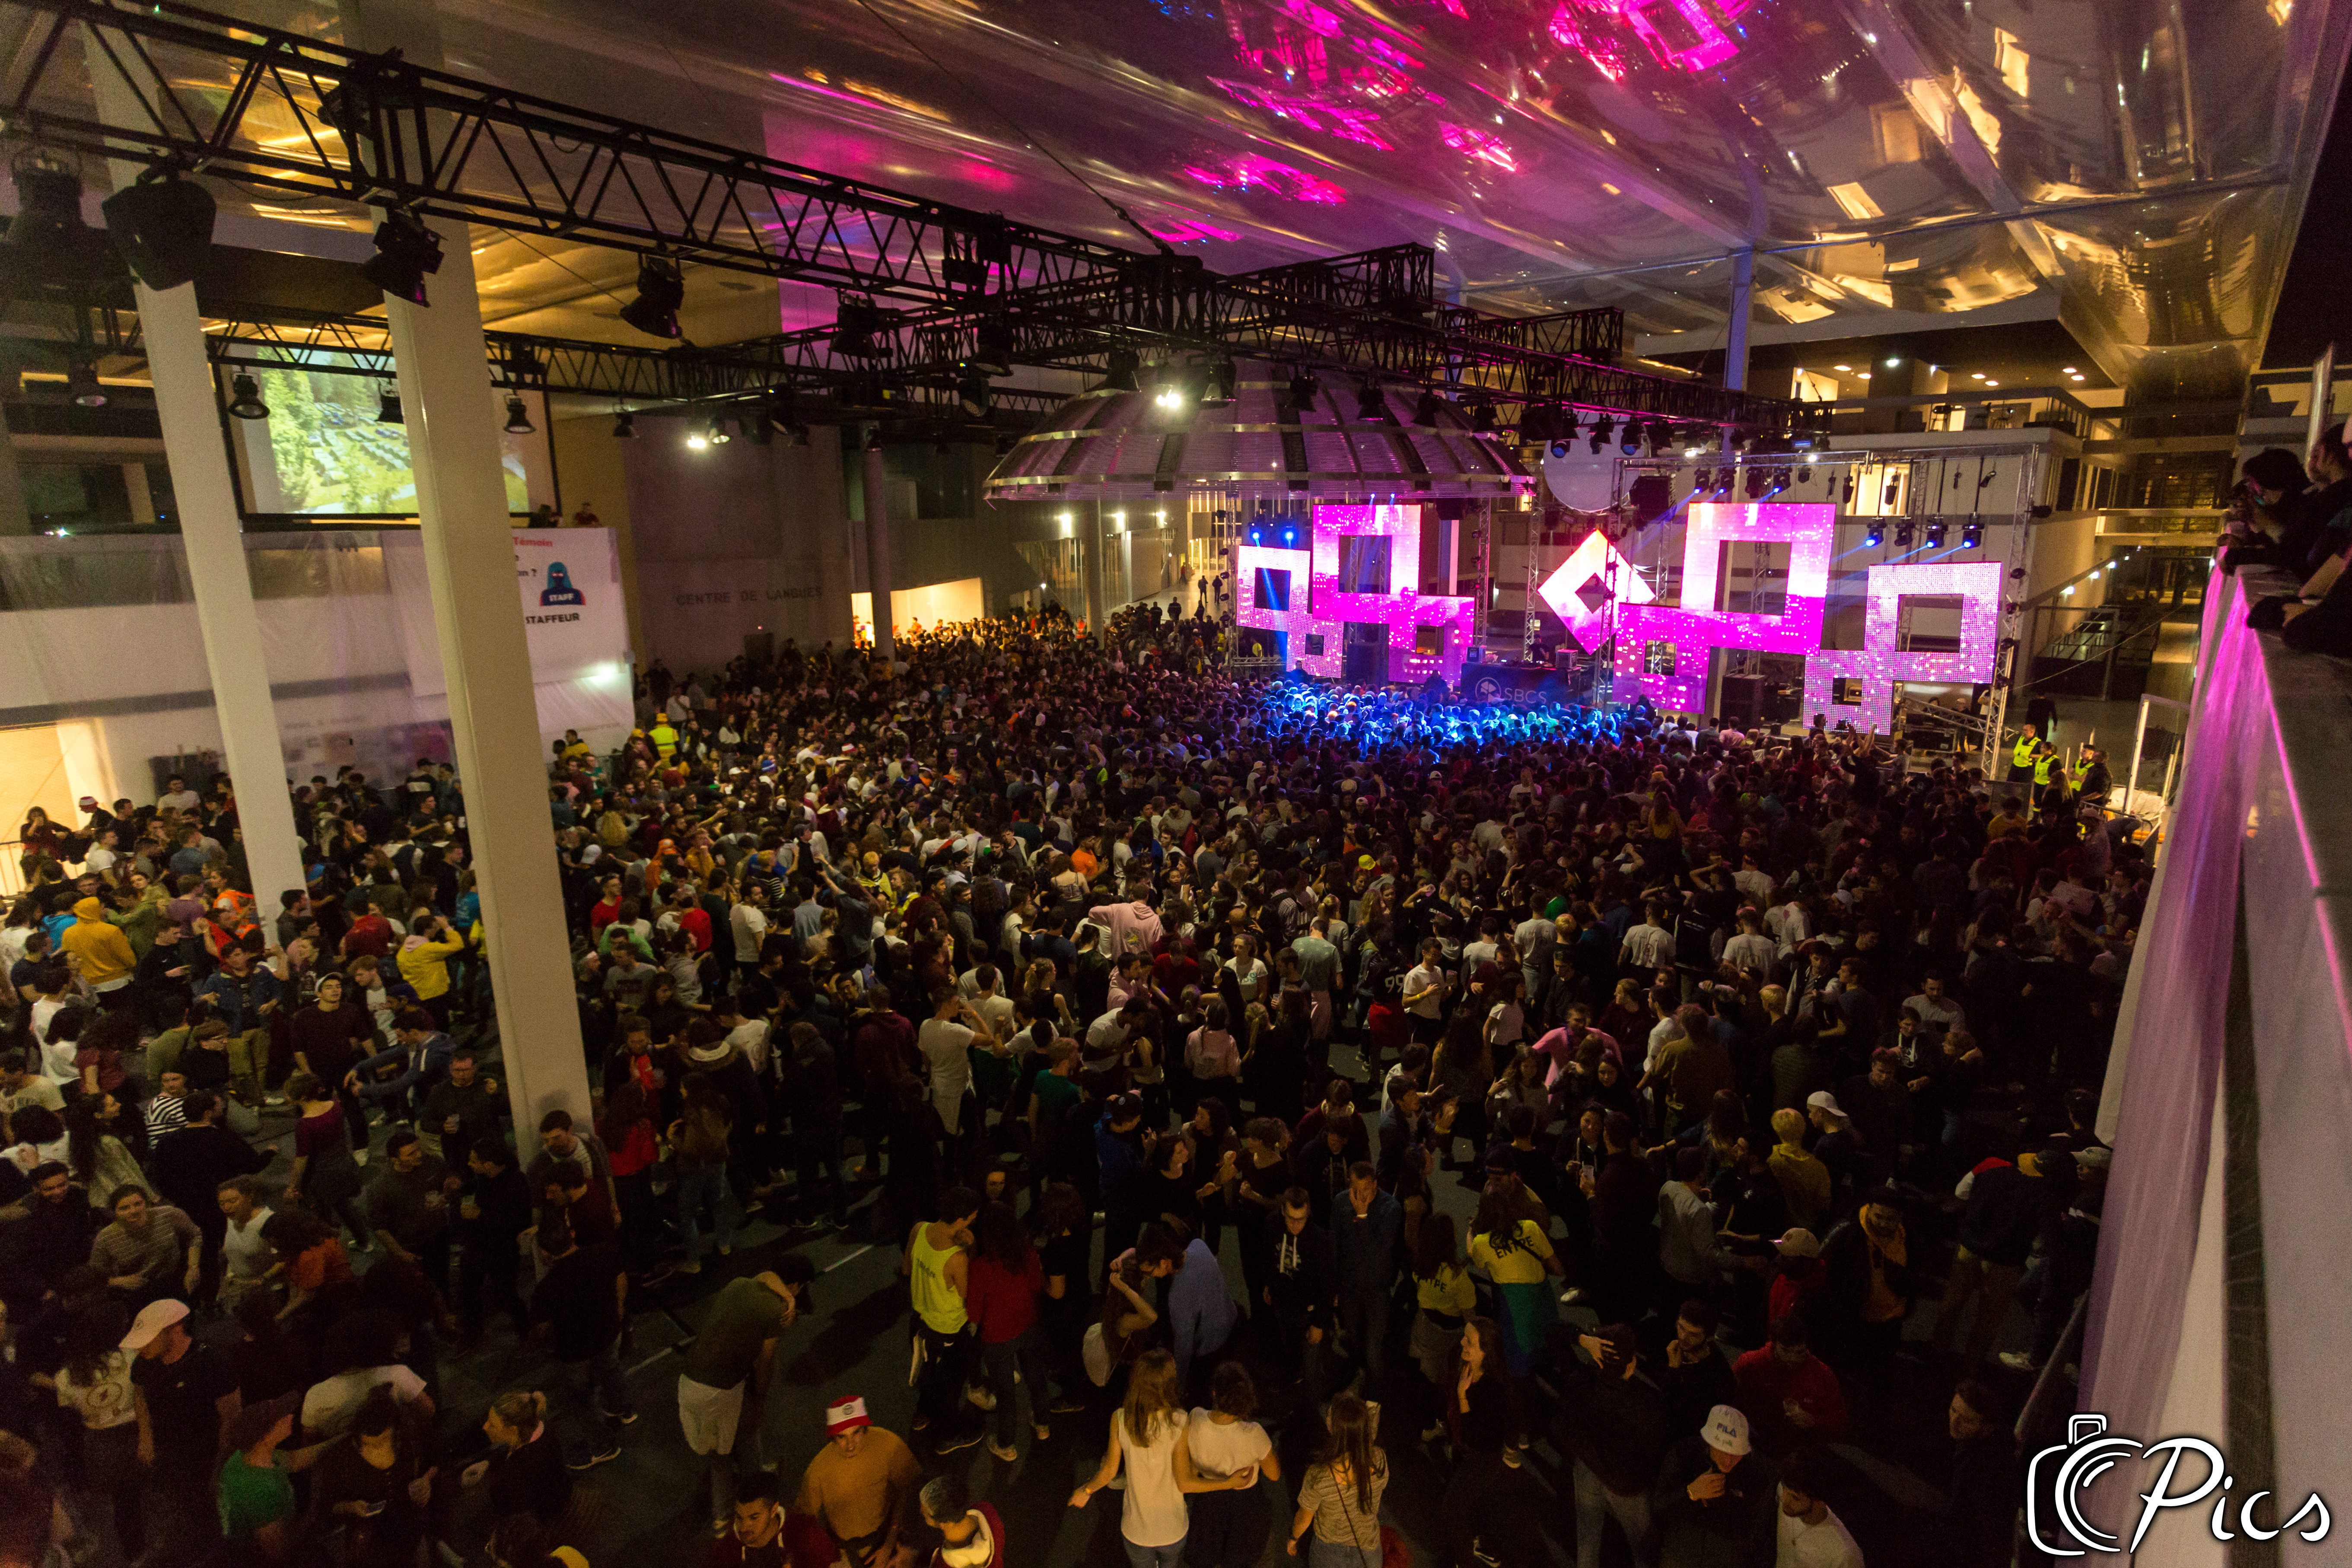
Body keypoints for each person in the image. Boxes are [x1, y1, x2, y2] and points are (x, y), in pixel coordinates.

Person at [1068, 1347, 1225, 1568]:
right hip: (1173, 1529)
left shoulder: (1121, 1419)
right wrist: (1227, 1481)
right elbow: (1185, 1480)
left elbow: (1109, 1472)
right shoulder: (1180, 1420)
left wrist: (1086, 1490)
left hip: (1136, 1531)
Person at [677, 1269, 803, 1533]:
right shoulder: (775, 1317)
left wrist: (788, 1298)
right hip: (719, 1392)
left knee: (724, 1449)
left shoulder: (740, 1285)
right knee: (726, 1453)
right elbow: (765, 1365)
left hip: (689, 1381)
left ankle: (724, 1514)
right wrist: (760, 1399)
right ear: (795, 1288)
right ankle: (732, 1513)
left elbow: (769, 1274)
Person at [124, 1298, 244, 1549]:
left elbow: (232, 1417)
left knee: (217, 1517)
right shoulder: (145, 1363)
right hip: (170, 1456)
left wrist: (221, 1464)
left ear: (175, 1328)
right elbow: (140, 1394)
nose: (139, 1348)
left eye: (148, 1338)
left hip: (206, 1455)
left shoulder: (210, 1361)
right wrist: (146, 1439)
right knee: (186, 1513)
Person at [1561, 1323, 1669, 1568]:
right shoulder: (1646, 1404)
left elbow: (1553, 1331)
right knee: (1642, 1547)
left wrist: (1583, 1340)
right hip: (1625, 1485)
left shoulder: (1581, 1382)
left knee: (1588, 1538)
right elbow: (1656, 1450)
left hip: (1588, 1469)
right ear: (1631, 1364)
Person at [965, 1199, 1052, 1460]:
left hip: (997, 1336)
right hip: (1028, 1324)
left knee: (1005, 1392)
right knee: (1036, 1377)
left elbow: (973, 1312)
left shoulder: (982, 1266)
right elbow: (1037, 1286)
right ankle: (1043, 1424)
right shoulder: (1027, 1253)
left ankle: (1006, 1444)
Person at [792, 1396, 921, 1568]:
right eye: (842, 1437)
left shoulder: (888, 1445)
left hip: (889, 1539)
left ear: (865, 1429)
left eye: (856, 1433)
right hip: (846, 1553)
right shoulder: (819, 1468)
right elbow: (804, 1521)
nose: (851, 1445)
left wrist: (890, 1545)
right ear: (832, 1438)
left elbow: (911, 1487)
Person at [1652, 1405, 1780, 1568]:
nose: (1728, 1461)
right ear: (1709, 1442)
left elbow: (1763, 1536)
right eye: (1722, 1451)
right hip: (1680, 1556)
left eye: (1735, 1454)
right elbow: (1658, 1509)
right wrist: (1690, 1493)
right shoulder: (1684, 1455)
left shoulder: (1759, 1473)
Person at [907, 1186, 985, 1452]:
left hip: (919, 1321)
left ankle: (922, 1414)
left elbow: (907, 1268)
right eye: (972, 1217)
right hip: (949, 1329)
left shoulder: (918, 1229)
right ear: (963, 1220)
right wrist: (971, 1248)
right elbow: (966, 1292)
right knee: (951, 1384)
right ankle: (948, 1436)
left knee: (928, 1373)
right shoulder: (957, 1257)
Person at [1185, 1362, 1279, 1568]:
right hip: (1244, 1502)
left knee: (1208, 1553)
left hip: (1207, 1497)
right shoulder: (1254, 1433)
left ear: (1215, 1393)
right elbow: (1274, 1474)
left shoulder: (1195, 1417)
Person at [1286, 1390, 1387, 1566]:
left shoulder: (1319, 1475)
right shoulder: (1379, 1460)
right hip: (1369, 1551)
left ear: (1332, 1427)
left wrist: (1293, 1538)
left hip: (1329, 1554)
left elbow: (1304, 1519)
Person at [705, 1473, 838, 1568]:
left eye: (754, 1518)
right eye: (739, 1517)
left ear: (773, 1511)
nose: (744, 1527)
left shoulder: (805, 1532)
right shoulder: (728, 1549)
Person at [1773, 1451, 1864, 1568]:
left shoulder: (1845, 1555)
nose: (1784, 1501)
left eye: (1795, 1498)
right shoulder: (1786, 1495)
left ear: (1821, 1502)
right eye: (1785, 1490)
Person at [918, 1473, 1006, 1568]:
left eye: (925, 1514)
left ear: (944, 1524)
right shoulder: (986, 1509)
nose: (920, 1511)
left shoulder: (942, 1565)